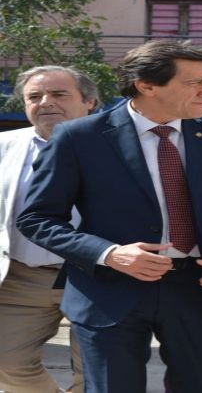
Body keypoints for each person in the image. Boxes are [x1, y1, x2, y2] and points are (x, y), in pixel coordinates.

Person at [16, 40, 202, 393]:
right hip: (111, 289)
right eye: (196, 83)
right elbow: (38, 218)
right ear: (147, 85)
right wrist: (109, 253)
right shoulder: (80, 138)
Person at [0, 65, 98, 393]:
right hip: (21, 278)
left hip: (101, 276)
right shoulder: (4, 146)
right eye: (35, 96)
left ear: (89, 101)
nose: (45, 102)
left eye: (58, 94)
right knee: (6, 364)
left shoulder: (119, 146)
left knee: (99, 371)